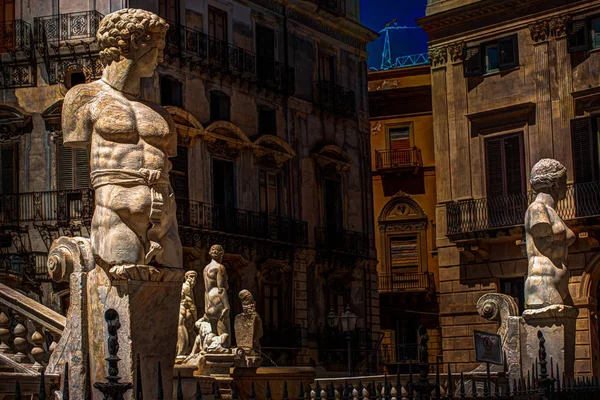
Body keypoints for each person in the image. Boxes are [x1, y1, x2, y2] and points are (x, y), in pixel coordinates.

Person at [61, 9, 182, 270]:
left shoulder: (160, 114)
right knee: (120, 291)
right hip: (117, 215)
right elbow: (76, 139)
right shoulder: (83, 98)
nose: (161, 56)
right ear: (129, 44)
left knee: (172, 295)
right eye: (155, 47)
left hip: (166, 220)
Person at [524, 159, 575, 310]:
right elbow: (542, 232)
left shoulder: (552, 212)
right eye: (564, 181)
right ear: (555, 184)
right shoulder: (537, 209)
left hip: (558, 286)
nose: (566, 186)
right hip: (544, 285)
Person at [203, 245, 231, 348]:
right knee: (224, 334)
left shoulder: (206, 269)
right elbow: (221, 288)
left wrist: (206, 307)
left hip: (209, 300)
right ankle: (222, 355)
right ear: (221, 254)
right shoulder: (220, 267)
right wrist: (227, 306)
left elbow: (206, 290)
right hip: (218, 300)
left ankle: (211, 350)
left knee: (213, 332)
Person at [176, 271, 197, 358]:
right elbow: (191, 303)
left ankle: (192, 351)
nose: (193, 279)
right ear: (186, 277)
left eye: (194, 277)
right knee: (184, 328)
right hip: (184, 310)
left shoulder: (185, 286)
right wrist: (195, 317)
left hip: (183, 311)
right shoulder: (186, 286)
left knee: (190, 331)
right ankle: (182, 351)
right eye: (190, 277)